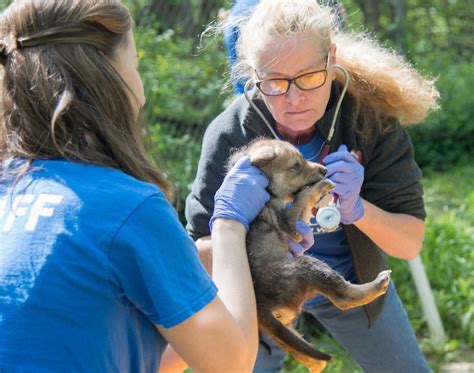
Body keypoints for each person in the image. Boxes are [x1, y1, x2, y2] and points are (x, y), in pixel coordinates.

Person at [0, 1, 276, 371]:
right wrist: (229, 225)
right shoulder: (125, 207)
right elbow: (230, 362)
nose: (141, 88)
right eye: (135, 64)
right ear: (109, 79)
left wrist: (192, 288)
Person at [185, 0, 440, 371]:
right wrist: (229, 223)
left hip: (350, 281)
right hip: (257, 295)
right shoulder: (229, 133)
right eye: (274, 81)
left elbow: (409, 241)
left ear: (331, 58)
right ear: (252, 74)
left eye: (308, 77)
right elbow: (199, 255)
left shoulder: (370, 122)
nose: (294, 98)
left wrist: (358, 209)